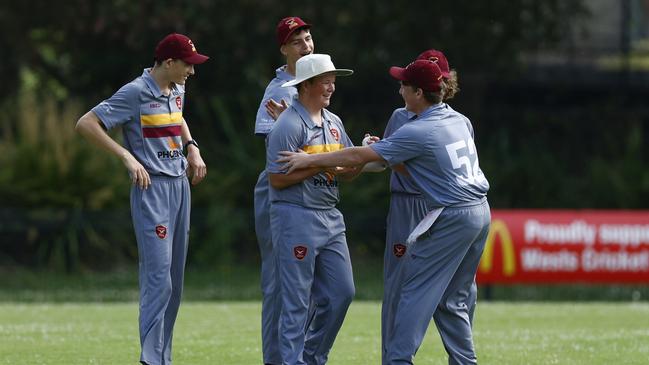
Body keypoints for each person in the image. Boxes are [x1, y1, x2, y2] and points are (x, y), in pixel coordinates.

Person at [278, 59, 491, 365]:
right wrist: (385, 149)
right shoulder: (456, 119)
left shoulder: (419, 129)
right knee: (453, 299)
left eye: (404, 84)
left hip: (453, 216)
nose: (400, 88)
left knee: (413, 292)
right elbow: (401, 160)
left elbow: (359, 155)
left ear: (418, 92)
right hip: (480, 212)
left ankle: (398, 360)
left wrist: (308, 161)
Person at [75, 33, 208, 365]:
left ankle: (164, 357)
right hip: (152, 192)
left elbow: (176, 117)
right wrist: (126, 156)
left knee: (174, 282)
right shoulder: (134, 92)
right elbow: (86, 123)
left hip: (180, 188)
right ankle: (150, 360)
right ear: (168, 63)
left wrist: (192, 147)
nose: (191, 72)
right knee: (158, 278)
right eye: (187, 65)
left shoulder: (177, 89)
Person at [381, 49, 478, 364]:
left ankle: (401, 358)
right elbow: (387, 161)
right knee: (401, 289)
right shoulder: (403, 116)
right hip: (410, 205)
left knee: (440, 294)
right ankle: (393, 357)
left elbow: (383, 159)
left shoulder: (453, 121)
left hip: (441, 208)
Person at [266, 53, 356, 365]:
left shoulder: (334, 123)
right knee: (296, 303)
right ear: (306, 86)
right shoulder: (288, 125)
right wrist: (324, 164)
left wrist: (363, 153)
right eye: (325, 81)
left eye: (333, 80)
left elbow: (346, 167)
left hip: (331, 217)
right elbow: (277, 179)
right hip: (295, 216)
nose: (332, 86)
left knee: (342, 293)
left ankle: (312, 357)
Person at [253, 16, 314, 365]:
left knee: (306, 285)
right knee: (278, 282)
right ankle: (276, 359)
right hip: (279, 188)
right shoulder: (280, 89)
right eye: (297, 41)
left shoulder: (313, 81)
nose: (305, 45)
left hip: (308, 189)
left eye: (307, 38)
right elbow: (275, 149)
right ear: (284, 50)